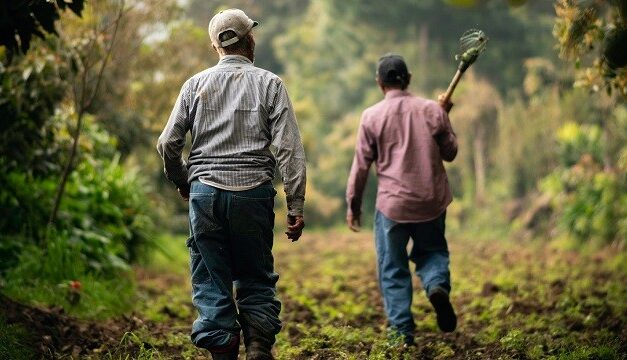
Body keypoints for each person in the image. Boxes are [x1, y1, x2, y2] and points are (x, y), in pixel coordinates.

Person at [157, 9, 306, 360]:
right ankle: (257, 345)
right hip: (253, 193)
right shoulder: (271, 84)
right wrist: (295, 205)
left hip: (205, 194)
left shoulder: (195, 85)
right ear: (250, 39)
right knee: (255, 273)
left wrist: (183, 181)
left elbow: (167, 143)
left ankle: (223, 347)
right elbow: (289, 151)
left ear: (215, 46)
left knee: (211, 277)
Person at [345, 54, 458, 346]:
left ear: (379, 83)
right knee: (432, 251)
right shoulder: (431, 110)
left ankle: (402, 334)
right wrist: (444, 115)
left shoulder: (371, 116)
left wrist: (353, 205)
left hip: (392, 207)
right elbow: (450, 152)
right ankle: (436, 287)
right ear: (408, 79)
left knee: (392, 267)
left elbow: (360, 166)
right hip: (431, 202)